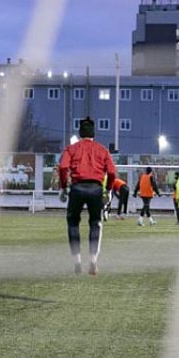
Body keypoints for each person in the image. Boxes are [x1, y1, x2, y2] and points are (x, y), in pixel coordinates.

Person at [59, 117, 117, 275]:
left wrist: (63, 187)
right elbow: (112, 171)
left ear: (80, 133)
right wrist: (109, 189)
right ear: (94, 134)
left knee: (72, 222)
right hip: (96, 189)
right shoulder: (102, 149)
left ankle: (77, 261)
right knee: (95, 223)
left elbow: (63, 167)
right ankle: (93, 260)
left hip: (77, 188)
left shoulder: (71, 149)